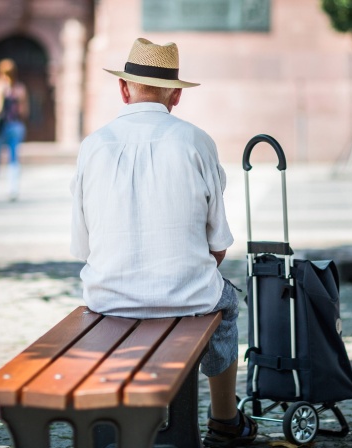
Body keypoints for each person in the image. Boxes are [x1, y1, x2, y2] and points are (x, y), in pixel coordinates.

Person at [70, 38, 257, 447]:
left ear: (123, 89)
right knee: (227, 305)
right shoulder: (195, 141)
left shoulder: (93, 145)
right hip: (187, 296)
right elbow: (219, 245)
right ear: (176, 95)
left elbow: (83, 250)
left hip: (108, 298)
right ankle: (225, 420)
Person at [0, 58, 29, 200]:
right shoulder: (20, 88)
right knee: (14, 158)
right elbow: (24, 111)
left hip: (1, 126)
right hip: (16, 125)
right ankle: (13, 189)